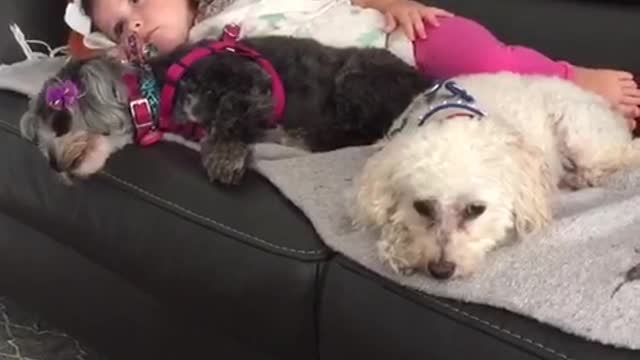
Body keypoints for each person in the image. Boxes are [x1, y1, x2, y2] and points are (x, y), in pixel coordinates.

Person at [75, 0, 640, 125]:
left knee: (481, 58)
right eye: (121, 28)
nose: (136, 24)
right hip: (360, 92)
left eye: (138, 2)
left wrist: (394, 3)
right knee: (481, 119)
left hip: (394, 38)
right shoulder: (196, 57)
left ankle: (572, 79)